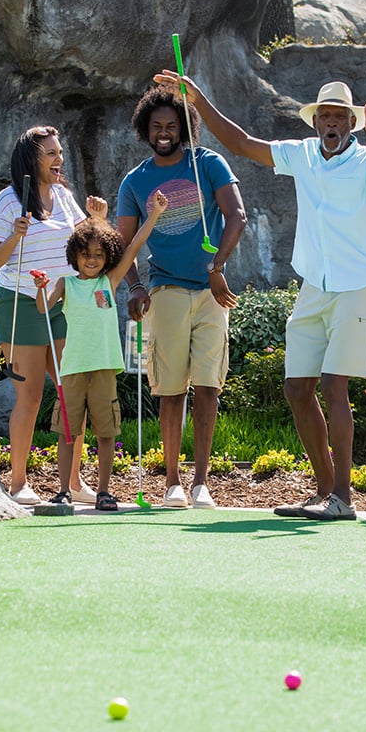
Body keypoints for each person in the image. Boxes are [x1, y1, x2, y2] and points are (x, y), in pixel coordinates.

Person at [153, 73, 366, 520]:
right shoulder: (303, 154)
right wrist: (198, 99)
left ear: (350, 122)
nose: (330, 122)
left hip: (357, 285)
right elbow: (241, 142)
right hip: (314, 286)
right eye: (324, 115)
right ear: (316, 122)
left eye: (338, 116)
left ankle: (343, 499)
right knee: (296, 387)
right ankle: (325, 490)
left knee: (333, 385)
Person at [117, 86, 247, 509]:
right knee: (170, 390)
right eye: (156, 126)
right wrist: (135, 287)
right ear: (145, 129)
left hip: (212, 292)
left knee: (208, 386)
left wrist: (216, 269)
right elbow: (124, 244)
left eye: (172, 125)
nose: (164, 133)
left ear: (185, 128)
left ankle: (201, 483)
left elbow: (237, 216)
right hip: (166, 289)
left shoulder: (207, 163)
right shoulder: (135, 181)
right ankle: (172, 482)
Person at [0, 125, 101, 506]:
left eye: (59, 152)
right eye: (50, 153)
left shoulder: (65, 198)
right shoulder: (6, 202)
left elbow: (86, 243)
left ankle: (73, 481)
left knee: (73, 392)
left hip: (61, 304)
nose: (58, 159)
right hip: (19, 304)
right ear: (30, 159)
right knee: (31, 395)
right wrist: (15, 237)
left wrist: (97, 220)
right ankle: (18, 484)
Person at [32, 190, 169, 511]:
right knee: (68, 433)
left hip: (104, 367)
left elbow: (133, 245)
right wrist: (40, 289)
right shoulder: (66, 283)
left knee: (106, 433)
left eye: (97, 254)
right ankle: (64, 490)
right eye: (85, 254)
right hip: (73, 369)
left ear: (107, 256)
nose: (91, 259)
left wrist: (154, 216)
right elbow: (42, 309)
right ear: (74, 255)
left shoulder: (109, 282)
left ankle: (104, 492)